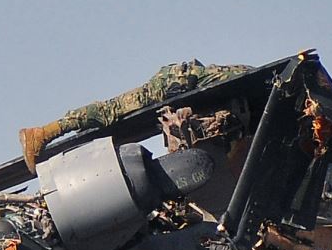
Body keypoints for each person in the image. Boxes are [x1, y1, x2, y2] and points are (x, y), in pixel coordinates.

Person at [17, 59, 253, 172]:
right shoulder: (260, 90)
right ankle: (43, 133)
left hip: (183, 82)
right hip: (177, 82)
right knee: (111, 113)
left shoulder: (253, 89)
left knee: (113, 117)